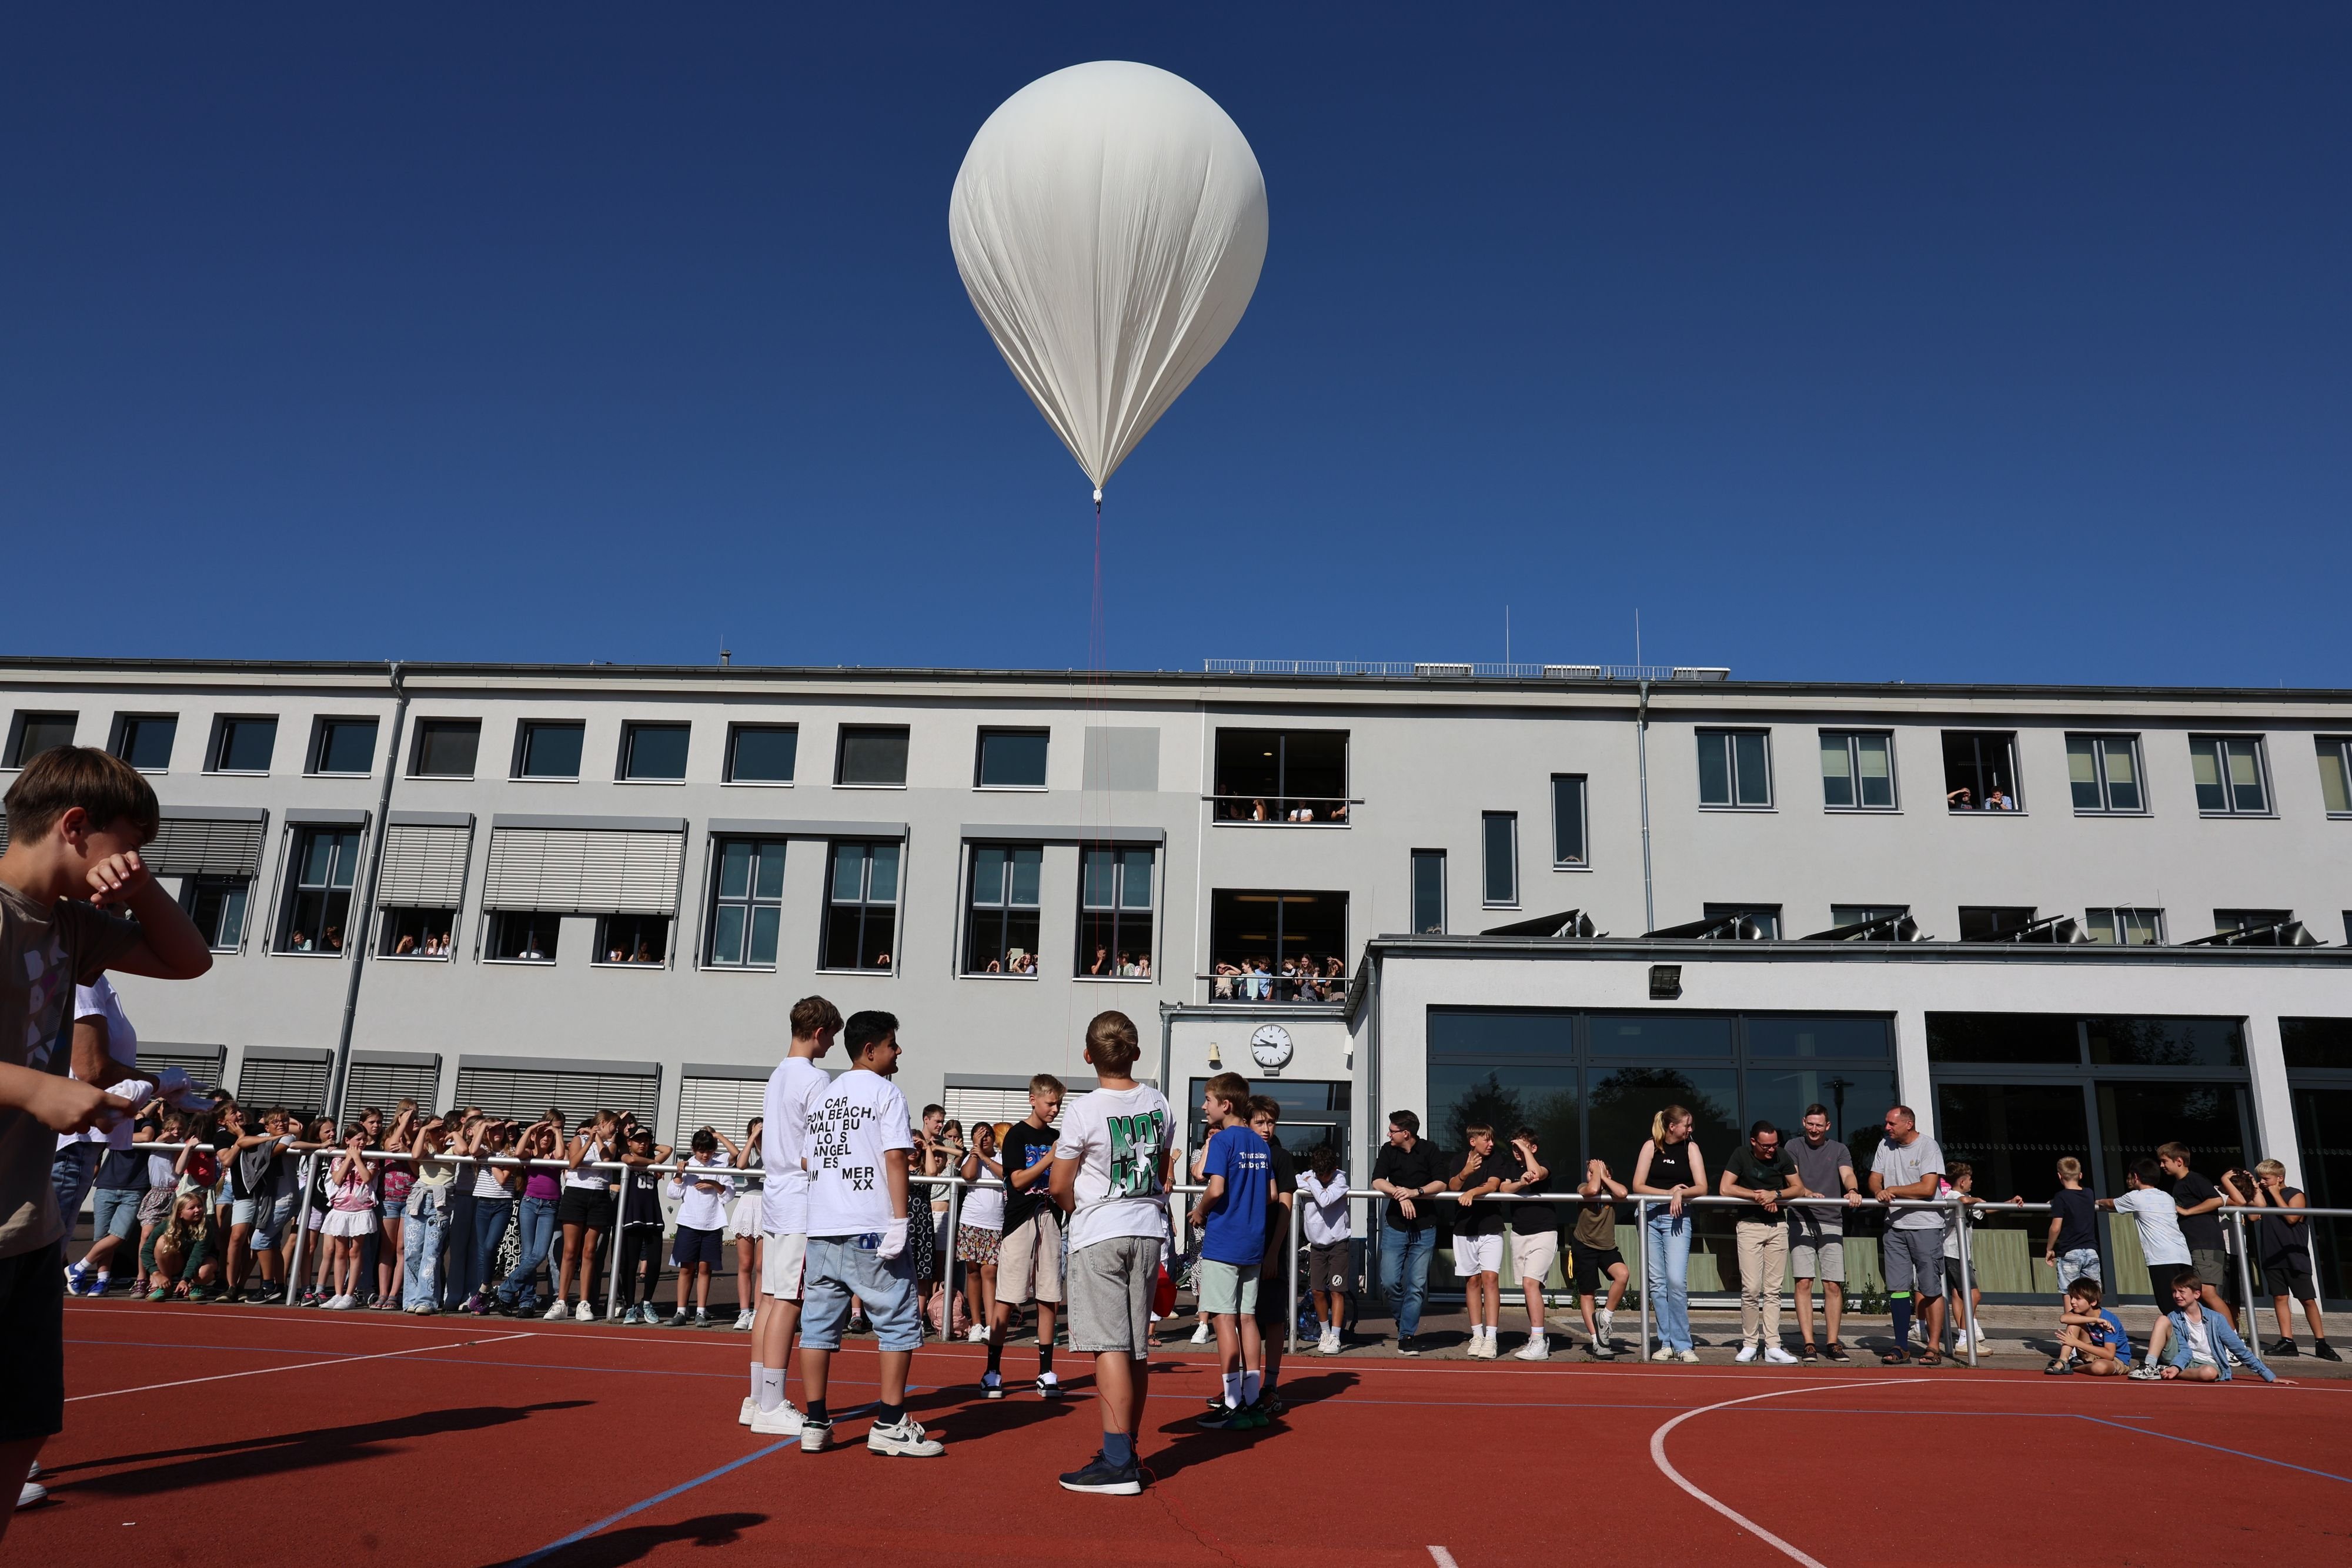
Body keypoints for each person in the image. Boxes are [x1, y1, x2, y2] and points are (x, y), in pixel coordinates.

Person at [793, 1010, 941, 1457]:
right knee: (897, 1324)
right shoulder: (886, 1093)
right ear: (871, 1049)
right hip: (871, 1227)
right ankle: (891, 1420)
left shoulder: (824, 1097)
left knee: (817, 1327)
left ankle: (815, 1419)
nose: (899, 1052)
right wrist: (900, 1220)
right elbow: (897, 1158)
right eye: (893, 1044)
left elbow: (806, 1161)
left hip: (821, 1228)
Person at [1050, 1009, 1174, 1496]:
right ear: (1136, 1052)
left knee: (1110, 1346)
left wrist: (1075, 1209)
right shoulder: (1159, 1102)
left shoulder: (1084, 1108)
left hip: (1101, 1226)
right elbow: (1162, 1167)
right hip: (1146, 1226)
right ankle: (1126, 1450)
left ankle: (1118, 1461)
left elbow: (1060, 1183)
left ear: (1088, 1055)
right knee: (1136, 1349)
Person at [743, 995, 842, 1438]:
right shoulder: (816, 1079)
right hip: (800, 1196)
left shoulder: (777, 1075)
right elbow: (817, 1151)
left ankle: (757, 1397)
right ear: (819, 1032)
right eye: (832, 1035)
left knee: (770, 1298)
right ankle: (770, 1400)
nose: (833, 1043)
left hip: (776, 1193)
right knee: (788, 1300)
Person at [1188, 1072, 1270, 1429]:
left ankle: (1233, 1403)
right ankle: (1252, 1402)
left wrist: (1200, 1210)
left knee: (1223, 1319)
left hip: (1224, 1242)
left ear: (1226, 1104)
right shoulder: (1261, 1143)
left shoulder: (1222, 1141)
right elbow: (1269, 1196)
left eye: (1208, 1100)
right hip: (1253, 1243)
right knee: (1248, 1319)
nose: (1204, 1106)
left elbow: (1216, 1187)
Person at [986, 1074, 1067, 1400]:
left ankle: (1046, 1371)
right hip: (1021, 1221)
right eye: (1050, 1103)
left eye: (1059, 1103)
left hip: (1050, 1217)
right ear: (1033, 1099)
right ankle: (992, 1370)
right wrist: (1049, 1158)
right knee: (1008, 1296)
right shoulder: (1017, 1136)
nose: (1055, 1109)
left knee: (1049, 1296)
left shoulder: (1059, 1135)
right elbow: (1017, 1180)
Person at [2227, 1161, 2337, 1359]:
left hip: (2294, 1255)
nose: (2263, 1182)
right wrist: (2255, 1190)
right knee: (2279, 1297)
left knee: (2307, 1299)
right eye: (2260, 1178)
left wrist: (2276, 1193)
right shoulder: (2263, 1196)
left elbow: (2292, 1218)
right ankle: (2287, 1341)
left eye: (2266, 1179)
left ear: (2280, 1178)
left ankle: (2321, 1342)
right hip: (2271, 1253)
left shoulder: (2295, 1194)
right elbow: (2253, 1218)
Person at [1869, 1105, 1948, 1366]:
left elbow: (1928, 1188)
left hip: (1926, 1226)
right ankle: (1901, 1345)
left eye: (1892, 1123)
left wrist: (1893, 1190)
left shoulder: (1928, 1147)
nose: (1887, 1128)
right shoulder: (1885, 1145)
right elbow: (1873, 1178)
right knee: (1898, 1289)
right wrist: (1879, 1190)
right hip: (1894, 1227)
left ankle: (1933, 1347)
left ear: (1908, 1124)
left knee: (1930, 1288)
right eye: (1886, 1123)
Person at [1721, 1119, 1802, 1364]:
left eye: (1774, 1145)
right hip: (1749, 1226)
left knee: (1774, 1290)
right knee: (1751, 1289)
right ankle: (1749, 1343)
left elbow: (1798, 1188)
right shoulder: (1741, 1155)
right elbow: (1726, 1188)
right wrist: (1758, 1196)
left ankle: (1773, 1345)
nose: (1771, 1150)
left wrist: (1775, 1194)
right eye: (1766, 1146)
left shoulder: (1783, 1155)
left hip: (1777, 1226)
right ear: (1754, 1142)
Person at [1786, 1104, 1861, 1364]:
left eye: (1820, 1125)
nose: (1814, 1129)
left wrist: (1852, 1190)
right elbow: (1792, 1179)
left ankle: (1832, 1342)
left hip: (1831, 1220)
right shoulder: (1793, 1147)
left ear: (1827, 1126)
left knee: (1832, 1284)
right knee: (1804, 1282)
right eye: (1811, 1124)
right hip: (1800, 1220)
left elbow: (1848, 1174)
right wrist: (1805, 1192)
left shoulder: (1839, 1149)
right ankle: (1808, 1343)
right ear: (1804, 1122)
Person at [1632, 1104, 1707, 1362]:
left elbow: (1702, 1186)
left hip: (1678, 1216)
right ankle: (1665, 1342)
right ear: (1672, 1127)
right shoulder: (1650, 1146)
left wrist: (1680, 1194)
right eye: (1687, 1125)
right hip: (1650, 1215)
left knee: (1676, 1281)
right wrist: (1668, 1193)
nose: (1690, 1130)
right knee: (1657, 1282)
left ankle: (1683, 1344)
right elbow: (1638, 1185)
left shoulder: (1691, 1148)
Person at [1370, 1109, 1446, 1355]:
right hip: (1395, 1225)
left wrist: (1416, 1193)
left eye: (1392, 1131)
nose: (1388, 1134)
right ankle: (1404, 1320)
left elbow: (1441, 1182)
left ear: (1406, 1133)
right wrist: (1398, 1194)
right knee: (1390, 1282)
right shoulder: (1388, 1149)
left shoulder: (1430, 1149)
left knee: (1416, 1285)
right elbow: (1377, 1180)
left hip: (1425, 1228)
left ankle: (1406, 1335)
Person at [2137, 1269, 2288, 1385]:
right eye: (2174, 1292)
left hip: (2207, 1364)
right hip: (2181, 1357)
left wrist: (2269, 1376)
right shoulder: (2174, 1317)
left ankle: (2165, 1370)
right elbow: (2185, 1350)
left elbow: (2239, 1350)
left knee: (2209, 1373)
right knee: (2162, 1320)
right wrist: (2177, 1365)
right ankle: (2150, 1366)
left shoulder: (2216, 1319)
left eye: (2182, 1292)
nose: (2177, 1295)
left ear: (2196, 1294)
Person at [1247, 1096, 1297, 1407]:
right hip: (1242, 1249)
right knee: (1242, 1317)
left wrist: (1274, 1252)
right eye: (1260, 1122)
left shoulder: (1281, 1157)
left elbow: (1285, 1208)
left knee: (1274, 1318)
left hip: (1270, 1250)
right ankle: (1241, 1386)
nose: (1266, 1128)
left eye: (1271, 1122)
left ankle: (1271, 1385)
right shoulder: (1238, 1152)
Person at [550, 1109, 620, 1322]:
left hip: (599, 1196)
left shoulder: (611, 1144)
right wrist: (589, 1139)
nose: (615, 1129)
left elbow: (607, 1161)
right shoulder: (579, 1139)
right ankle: (561, 1302)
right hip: (576, 1194)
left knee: (590, 1251)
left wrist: (599, 1138)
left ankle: (584, 1302)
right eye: (613, 1125)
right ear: (603, 1122)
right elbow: (573, 1163)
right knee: (570, 1251)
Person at [1445, 1123, 1508, 1358]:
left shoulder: (1496, 1160)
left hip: (1491, 1227)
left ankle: (1491, 1338)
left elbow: (1493, 1184)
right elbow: (1453, 1187)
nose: (1491, 1144)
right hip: (1464, 1229)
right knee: (1472, 1281)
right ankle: (1477, 1335)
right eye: (1486, 1140)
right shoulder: (1459, 1159)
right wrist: (1466, 1173)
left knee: (1490, 1278)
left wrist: (1472, 1192)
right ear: (1473, 1142)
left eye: (1492, 1140)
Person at [493, 1113, 563, 1317]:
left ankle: (505, 1291)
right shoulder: (530, 1152)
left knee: (538, 1254)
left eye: (548, 1136)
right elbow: (519, 1152)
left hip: (550, 1206)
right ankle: (527, 1302)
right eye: (542, 1135)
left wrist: (556, 1132)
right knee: (528, 1256)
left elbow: (560, 1156)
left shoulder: (556, 1153)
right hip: (530, 1203)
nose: (545, 1138)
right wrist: (533, 1130)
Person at [2100, 1160, 2192, 1313]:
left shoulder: (2135, 1197)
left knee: (2169, 1304)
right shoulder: (2167, 1197)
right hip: (2183, 1255)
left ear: (2136, 1177)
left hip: (2161, 1258)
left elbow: (2111, 1203)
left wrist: (2097, 1201)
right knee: (2186, 1302)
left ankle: (2176, 1336)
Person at [1499, 1127, 1559, 1361]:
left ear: (1533, 1148)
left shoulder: (1543, 1162)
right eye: (1514, 1147)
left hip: (1544, 1232)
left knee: (1529, 1283)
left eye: (1522, 1146)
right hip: (1519, 1233)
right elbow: (1504, 1188)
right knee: (1529, 1288)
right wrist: (1521, 1184)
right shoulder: (1511, 1168)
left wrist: (1526, 1154)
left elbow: (1538, 1173)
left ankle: (1538, 1342)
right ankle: (1538, 1337)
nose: (1517, 1151)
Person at [2156, 1142, 2231, 1320]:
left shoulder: (2194, 1179)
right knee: (2197, 1294)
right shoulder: (2179, 1184)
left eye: (2164, 1161)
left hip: (2206, 1245)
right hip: (2193, 1246)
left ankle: (2234, 1339)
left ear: (2179, 1161)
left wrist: (2187, 1211)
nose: (2161, 1166)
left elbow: (2217, 1201)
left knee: (2207, 1292)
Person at [668, 1128, 731, 1326]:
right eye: (701, 1150)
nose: (705, 1155)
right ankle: (681, 1311)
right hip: (689, 1223)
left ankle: (701, 1311)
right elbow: (673, 1193)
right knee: (686, 1268)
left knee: (705, 1269)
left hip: (712, 1224)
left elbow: (728, 1195)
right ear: (693, 1149)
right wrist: (679, 1174)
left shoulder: (720, 1166)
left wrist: (713, 1183)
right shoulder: (687, 1165)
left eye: (710, 1151)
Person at [1569, 1158, 1629, 1358]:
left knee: (1622, 1275)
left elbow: (1623, 1193)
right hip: (1584, 1246)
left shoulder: (1612, 1191)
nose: (1592, 1175)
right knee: (1588, 1292)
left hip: (1607, 1248)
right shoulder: (1583, 1188)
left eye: (1595, 1171)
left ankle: (1605, 1318)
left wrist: (1602, 1174)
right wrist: (1596, 1173)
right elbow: (1593, 1190)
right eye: (1590, 1172)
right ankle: (1597, 1341)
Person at [615, 1126, 672, 1323]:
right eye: (638, 1140)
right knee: (630, 1264)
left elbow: (668, 1150)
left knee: (655, 1262)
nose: (643, 1143)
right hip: (633, 1215)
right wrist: (653, 1164)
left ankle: (646, 1302)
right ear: (629, 1142)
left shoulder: (653, 1159)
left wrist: (651, 1147)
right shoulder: (625, 1157)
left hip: (652, 1216)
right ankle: (630, 1305)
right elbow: (630, 1160)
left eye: (646, 1140)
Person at [1298, 1142, 1351, 1355]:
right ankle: (1325, 1332)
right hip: (1316, 1246)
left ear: (1333, 1170)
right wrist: (1312, 1180)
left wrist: (1312, 1183)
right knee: (1318, 1291)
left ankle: (1336, 1336)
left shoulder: (1340, 1179)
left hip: (1338, 1243)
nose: (1322, 1178)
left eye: (1325, 1175)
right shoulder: (1310, 1176)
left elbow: (1325, 1200)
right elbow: (1296, 1182)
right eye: (1318, 1175)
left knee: (1337, 1291)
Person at [400, 1115, 456, 1313]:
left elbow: (465, 1150)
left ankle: (427, 1300)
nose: (439, 1133)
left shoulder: (452, 1149)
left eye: (442, 1129)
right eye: (435, 1130)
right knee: (413, 1252)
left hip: (441, 1203)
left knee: (431, 1254)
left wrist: (454, 1133)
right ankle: (411, 1298)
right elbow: (415, 1155)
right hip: (419, 1201)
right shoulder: (426, 1148)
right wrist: (424, 1130)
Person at [319, 1129, 380, 1309]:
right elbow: (337, 1179)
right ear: (348, 1140)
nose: (362, 1142)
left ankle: (350, 1294)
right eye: (358, 1139)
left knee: (355, 1252)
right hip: (340, 1210)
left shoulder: (371, 1159)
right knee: (340, 1252)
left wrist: (358, 1158)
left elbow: (368, 1177)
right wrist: (348, 1158)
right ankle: (338, 1293)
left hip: (360, 1211)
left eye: (364, 1139)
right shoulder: (338, 1159)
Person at [956, 1121, 1004, 1343]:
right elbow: (967, 1175)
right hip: (971, 1222)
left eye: (986, 1135)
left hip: (995, 1224)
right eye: (978, 1136)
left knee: (990, 1273)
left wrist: (986, 1157)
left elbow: (1006, 1175)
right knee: (973, 1272)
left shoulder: (1002, 1157)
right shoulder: (970, 1157)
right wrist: (975, 1153)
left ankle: (992, 1324)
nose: (983, 1139)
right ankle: (976, 1323)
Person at [716, 1118, 763, 1330]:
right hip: (748, 1204)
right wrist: (753, 1137)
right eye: (756, 1131)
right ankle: (744, 1312)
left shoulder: (775, 1149)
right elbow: (742, 1165)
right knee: (745, 1264)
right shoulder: (749, 1149)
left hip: (767, 1206)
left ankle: (758, 1312)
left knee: (762, 1266)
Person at [2047, 1278, 2133, 1377]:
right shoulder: (2080, 1313)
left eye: (2078, 1299)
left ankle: (2074, 1367)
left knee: (2099, 1368)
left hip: (2116, 1359)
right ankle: (2063, 1361)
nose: (2072, 1302)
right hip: (2091, 1354)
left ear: (2093, 1302)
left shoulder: (2109, 1321)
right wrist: (2095, 1320)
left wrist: (2076, 1343)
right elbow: (2064, 1318)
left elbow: (2109, 1355)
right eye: (2071, 1297)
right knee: (2073, 1322)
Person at [2043, 1156, 2102, 1292]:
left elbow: (2056, 1227)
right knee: (2092, 1293)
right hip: (2091, 1251)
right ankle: (2093, 1315)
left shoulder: (2061, 1197)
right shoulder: (2089, 1193)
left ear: (2059, 1176)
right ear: (2080, 1175)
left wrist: (2049, 1249)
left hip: (2070, 1251)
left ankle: (2069, 1315)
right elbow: (2076, 1200)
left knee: (2069, 1292)